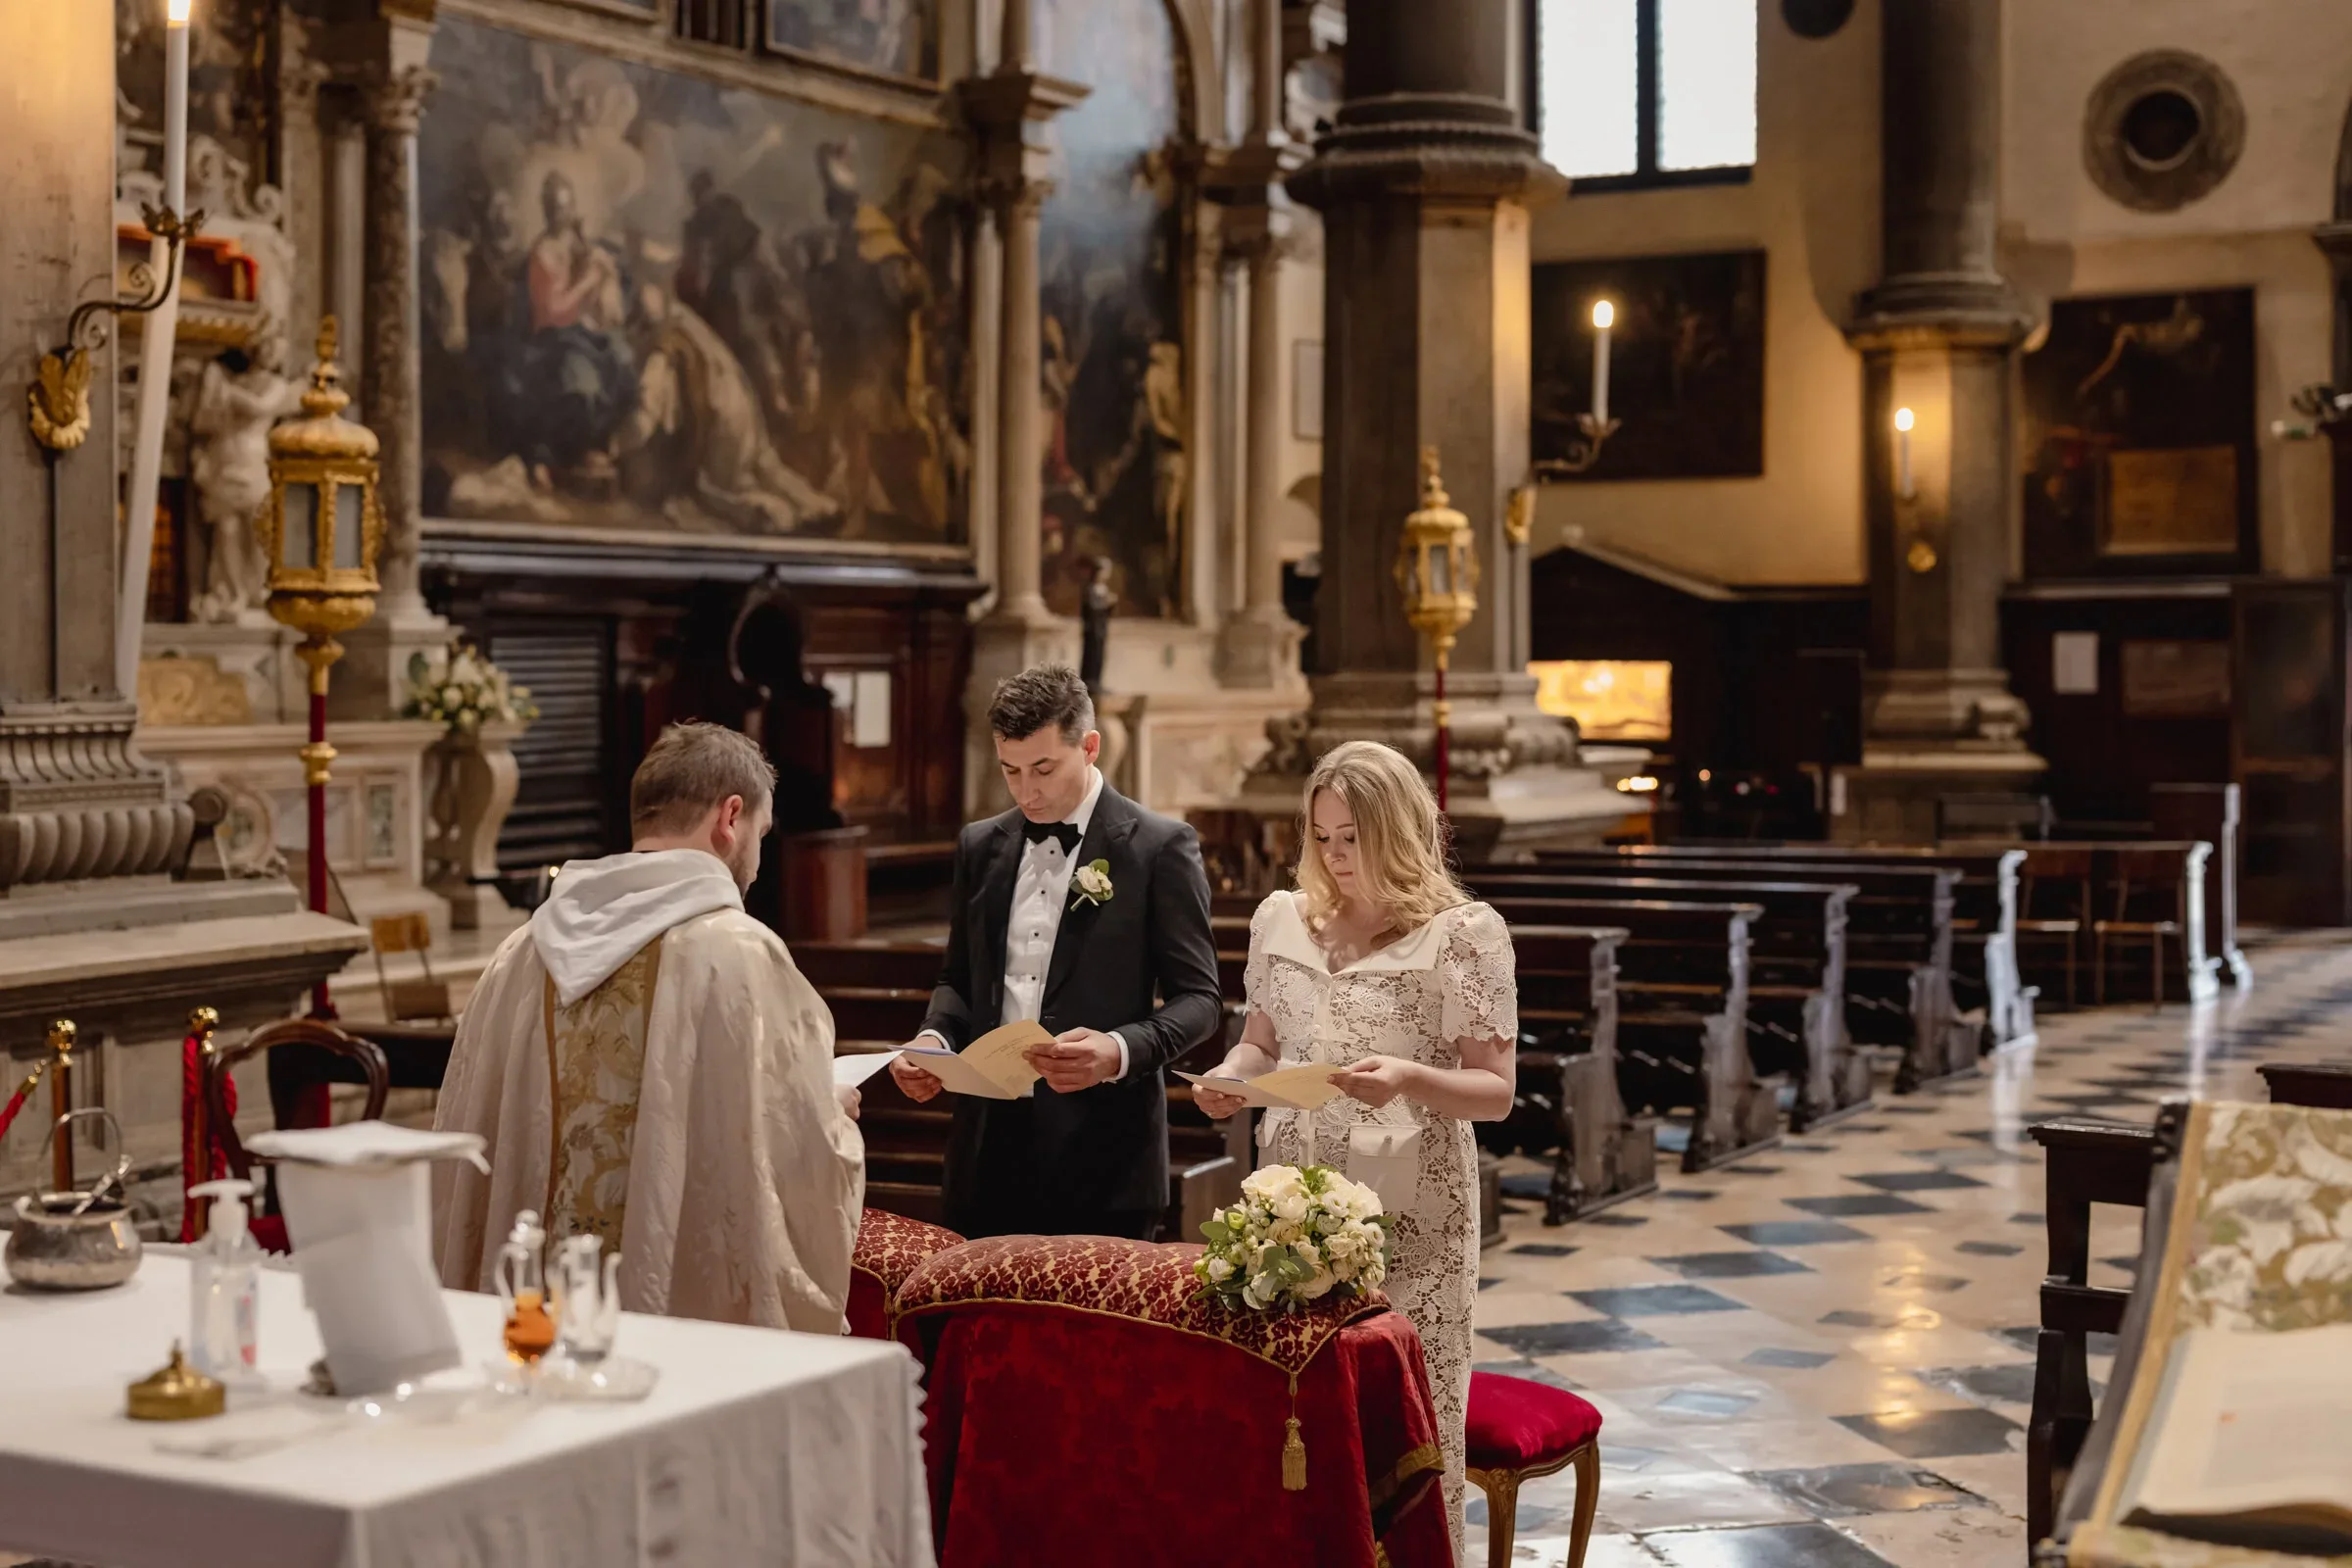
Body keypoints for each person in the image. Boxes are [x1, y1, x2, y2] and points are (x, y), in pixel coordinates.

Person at [1191, 740, 1517, 1561]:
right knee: (1297, 1404)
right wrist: (1230, 1078)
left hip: (1413, 1211)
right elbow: (1260, 1044)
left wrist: (1409, 1075)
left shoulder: (1462, 935)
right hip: (1289, 1205)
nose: (1335, 857)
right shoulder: (1281, 920)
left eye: (1353, 838)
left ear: (1399, 831)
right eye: (1323, 836)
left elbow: (1496, 1090)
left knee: (1404, 1410)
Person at [431, 721, 863, 1336]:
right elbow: (795, 1152)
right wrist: (834, 1112)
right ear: (730, 817)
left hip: (534, 1325)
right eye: (761, 835)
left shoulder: (522, 953)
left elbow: (465, 1145)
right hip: (681, 1343)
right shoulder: (739, 954)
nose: (758, 863)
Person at [889, 663, 1221, 1240]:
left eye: (1044, 769)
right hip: (986, 1151)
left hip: (1105, 1156)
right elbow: (959, 980)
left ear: (1089, 747)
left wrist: (1117, 1050)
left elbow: (1200, 1000)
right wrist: (933, 1040)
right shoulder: (980, 845)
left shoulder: (1159, 847)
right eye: (1010, 771)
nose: (1027, 792)